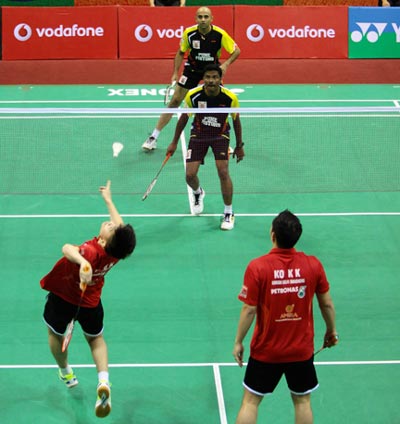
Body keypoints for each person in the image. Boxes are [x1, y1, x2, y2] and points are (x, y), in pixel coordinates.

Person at [40, 181, 136, 419]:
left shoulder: (91, 251)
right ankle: (103, 382)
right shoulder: (117, 252)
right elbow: (122, 230)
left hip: (63, 298)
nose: (111, 223)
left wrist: (82, 262)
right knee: (96, 340)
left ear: (104, 241)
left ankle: (65, 372)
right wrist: (109, 201)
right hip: (91, 302)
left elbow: (66, 249)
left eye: (111, 228)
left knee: (55, 335)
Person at [233, 210, 338, 424]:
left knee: (250, 402)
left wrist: (238, 341)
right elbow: (326, 303)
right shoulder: (313, 265)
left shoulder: (258, 267)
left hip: (266, 350)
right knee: (302, 402)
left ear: (272, 234)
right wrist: (331, 330)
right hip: (300, 350)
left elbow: (249, 309)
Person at [142, 6, 240, 151]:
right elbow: (181, 52)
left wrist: (225, 65)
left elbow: (236, 51)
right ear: (196, 19)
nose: (203, 19)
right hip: (192, 69)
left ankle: (221, 139)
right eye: (200, 17)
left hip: (212, 72)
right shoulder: (189, 33)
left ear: (211, 19)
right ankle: (153, 137)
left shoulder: (220, 34)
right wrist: (175, 73)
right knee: (175, 101)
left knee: (219, 106)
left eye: (206, 17)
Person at [166, 64, 244, 231]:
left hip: (220, 135)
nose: (211, 80)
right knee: (189, 175)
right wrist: (173, 142)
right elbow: (183, 119)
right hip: (199, 134)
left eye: (215, 77)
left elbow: (236, 121)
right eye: (208, 77)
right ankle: (198, 192)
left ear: (220, 79)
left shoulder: (230, 98)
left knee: (223, 171)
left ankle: (228, 212)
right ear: (204, 79)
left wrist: (239, 146)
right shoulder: (193, 96)